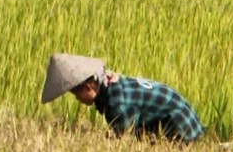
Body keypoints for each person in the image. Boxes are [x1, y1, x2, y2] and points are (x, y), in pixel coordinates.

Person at [41, 53, 204, 142]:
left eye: (77, 95)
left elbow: (123, 139)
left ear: (88, 87)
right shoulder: (109, 85)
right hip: (170, 119)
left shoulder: (116, 101)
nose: (78, 100)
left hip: (183, 127)